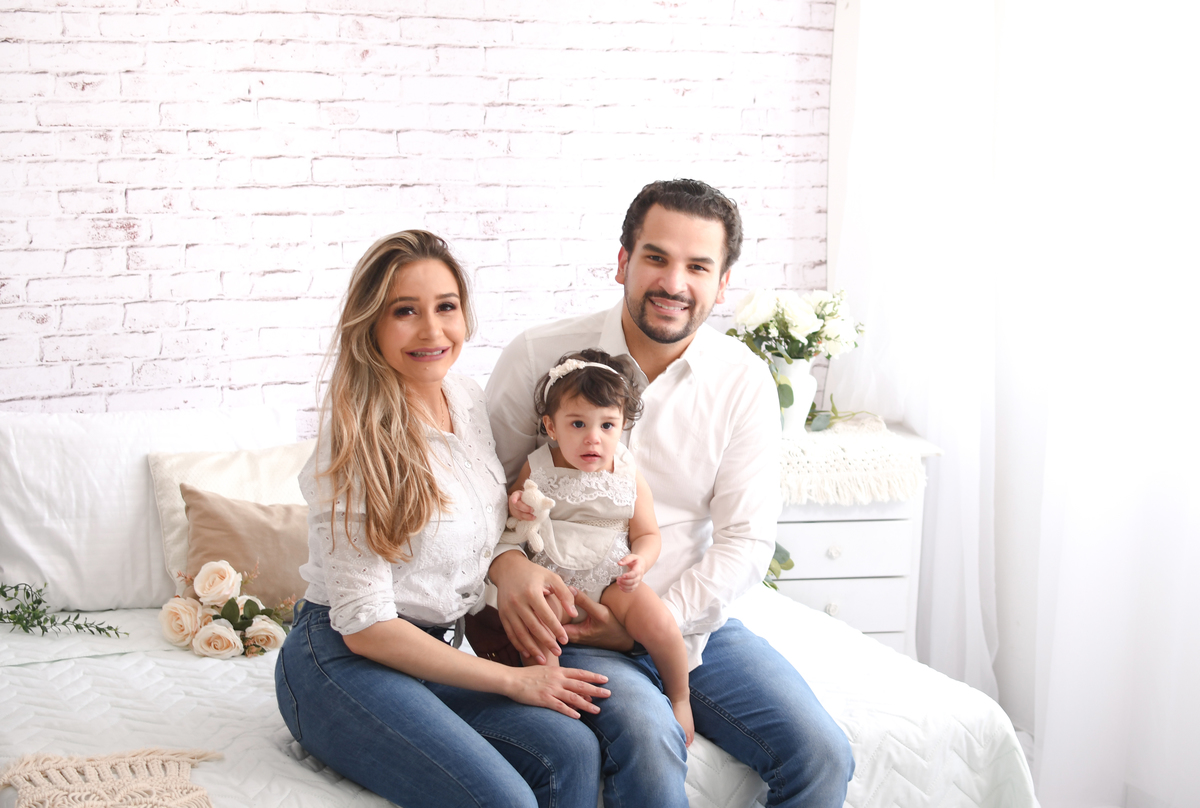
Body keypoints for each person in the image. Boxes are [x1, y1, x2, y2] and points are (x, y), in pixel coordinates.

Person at [486, 180, 856, 807]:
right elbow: (483, 495)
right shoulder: (538, 355)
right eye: (656, 257)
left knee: (821, 755)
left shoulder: (742, 381)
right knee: (651, 741)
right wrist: (508, 566)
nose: (674, 283)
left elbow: (745, 540)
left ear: (723, 282)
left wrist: (648, 627)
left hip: (690, 623)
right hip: (572, 621)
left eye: (698, 267)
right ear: (623, 261)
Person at [274, 230, 610, 808]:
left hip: (437, 651)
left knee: (573, 750)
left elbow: (476, 524)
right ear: (371, 325)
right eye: (405, 311)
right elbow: (365, 626)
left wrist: (510, 566)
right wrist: (514, 680)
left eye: (446, 307)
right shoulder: (354, 442)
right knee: (503, 800)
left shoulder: (466, 397)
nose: (432, 331)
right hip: (342, 660)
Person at [505, 348, 694, 747]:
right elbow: (518, 509)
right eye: (578, 424)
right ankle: (549, 693)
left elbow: (648, 534)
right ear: (551, 426)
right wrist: (519, 504)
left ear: (622, 425)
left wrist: (640, 562)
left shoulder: (627, 474)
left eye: (607, 425)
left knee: (660, 623)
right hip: (555, 579)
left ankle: (680, 697)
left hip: (611, 579)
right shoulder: (539, 465)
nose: (593, 437)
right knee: (538, 626)